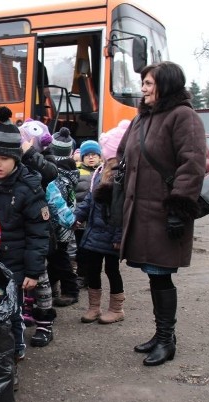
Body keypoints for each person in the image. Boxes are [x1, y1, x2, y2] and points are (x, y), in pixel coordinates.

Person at [117, 61, 206, 367]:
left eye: (149, 83)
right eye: (143, 83)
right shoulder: (141, 118)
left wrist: (179, 207)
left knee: (160, 275)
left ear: (166, 85)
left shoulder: (184, 116)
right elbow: (122, 156)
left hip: (164, 212)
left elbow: (192, 163)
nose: (143, 89)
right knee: (154, 274)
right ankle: (161, 335)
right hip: (140, 211)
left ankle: (166, 340)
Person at [0, 106, 51, 365]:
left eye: (3, 159)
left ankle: (15, 351)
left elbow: (38, 233)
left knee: (12, 310)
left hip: (15, 263)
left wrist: (33, 271)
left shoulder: (29, 188)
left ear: (16, 158)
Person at [74, 124, 129, 324]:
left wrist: (118, 236)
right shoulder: (99, 171)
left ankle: (116, 309)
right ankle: (94, 307)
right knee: (93, 269)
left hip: (110, 234)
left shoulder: (122, 174)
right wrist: (78, 216)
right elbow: (90, 199)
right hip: (94, 232)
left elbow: (123, 209)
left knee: (112, 270)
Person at [45, 128, 79, 308]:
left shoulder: (56, 175)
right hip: (66, 223)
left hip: (59, 225)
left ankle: (71, 290)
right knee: (56, 259)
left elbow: (56, 203)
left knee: (60, 259)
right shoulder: (69, 171)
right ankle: (54, 288)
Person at [74, 140, 103, 289]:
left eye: (94, 155)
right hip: (82, 219)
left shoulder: (104, 171)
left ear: (100, 156)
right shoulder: (77, 171)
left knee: (94, 251)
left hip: (97, 219)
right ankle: (81, 275)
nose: (91, 158)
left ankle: (91, 277)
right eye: (87, 155)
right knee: (81, 250)